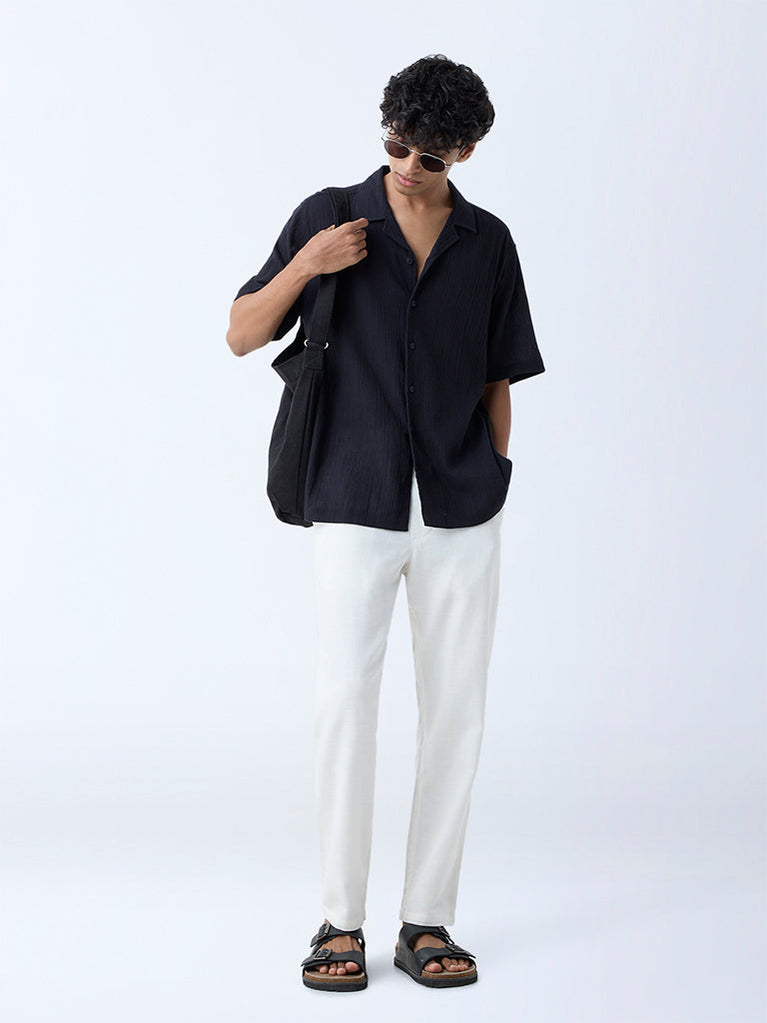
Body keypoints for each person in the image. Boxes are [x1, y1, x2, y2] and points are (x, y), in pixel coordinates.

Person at [226, 54, 545, 991]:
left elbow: (498, 375)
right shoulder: (329, 216)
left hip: (459, 504)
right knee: (344, 703)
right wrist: (309, 263)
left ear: (465, 153)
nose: (407, 167)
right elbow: (241, 331)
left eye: (430, 156)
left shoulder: (488, 243)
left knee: (456, 711)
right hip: (353, 495)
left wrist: (491, 474)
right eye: (396, 145)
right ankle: (340, 920)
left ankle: (427, 918)